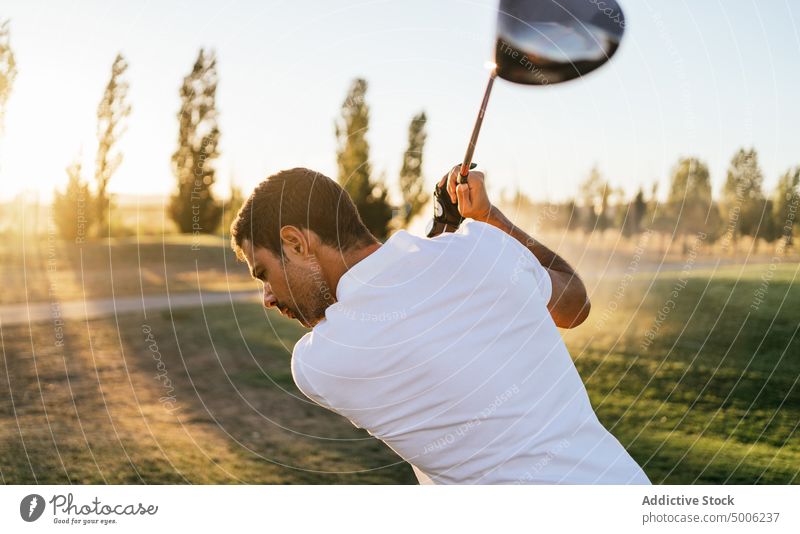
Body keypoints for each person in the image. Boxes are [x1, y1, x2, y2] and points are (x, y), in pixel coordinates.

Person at [231, 165, 650, 485]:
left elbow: (394, 300)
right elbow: (573, 303)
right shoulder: (481, 252)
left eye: (263, 272)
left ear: (296, 242)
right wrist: (488, 219)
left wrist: (444, 229)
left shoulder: (318, 365)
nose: (268, 297)